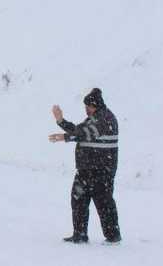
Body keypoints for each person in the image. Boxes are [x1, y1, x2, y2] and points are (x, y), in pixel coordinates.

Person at [48, 88, 122, 244]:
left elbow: (85, 133)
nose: (86, 109)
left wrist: (64, 137)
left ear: (95, 105)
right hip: (86, 170)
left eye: (88, 106)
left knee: (104, 203)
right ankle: (79, 234)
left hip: (102, 171)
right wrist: (61, 121)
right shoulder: (93, 118)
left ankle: (113, 237)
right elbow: (78, 130)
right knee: (78, 200)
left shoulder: (106, 119)